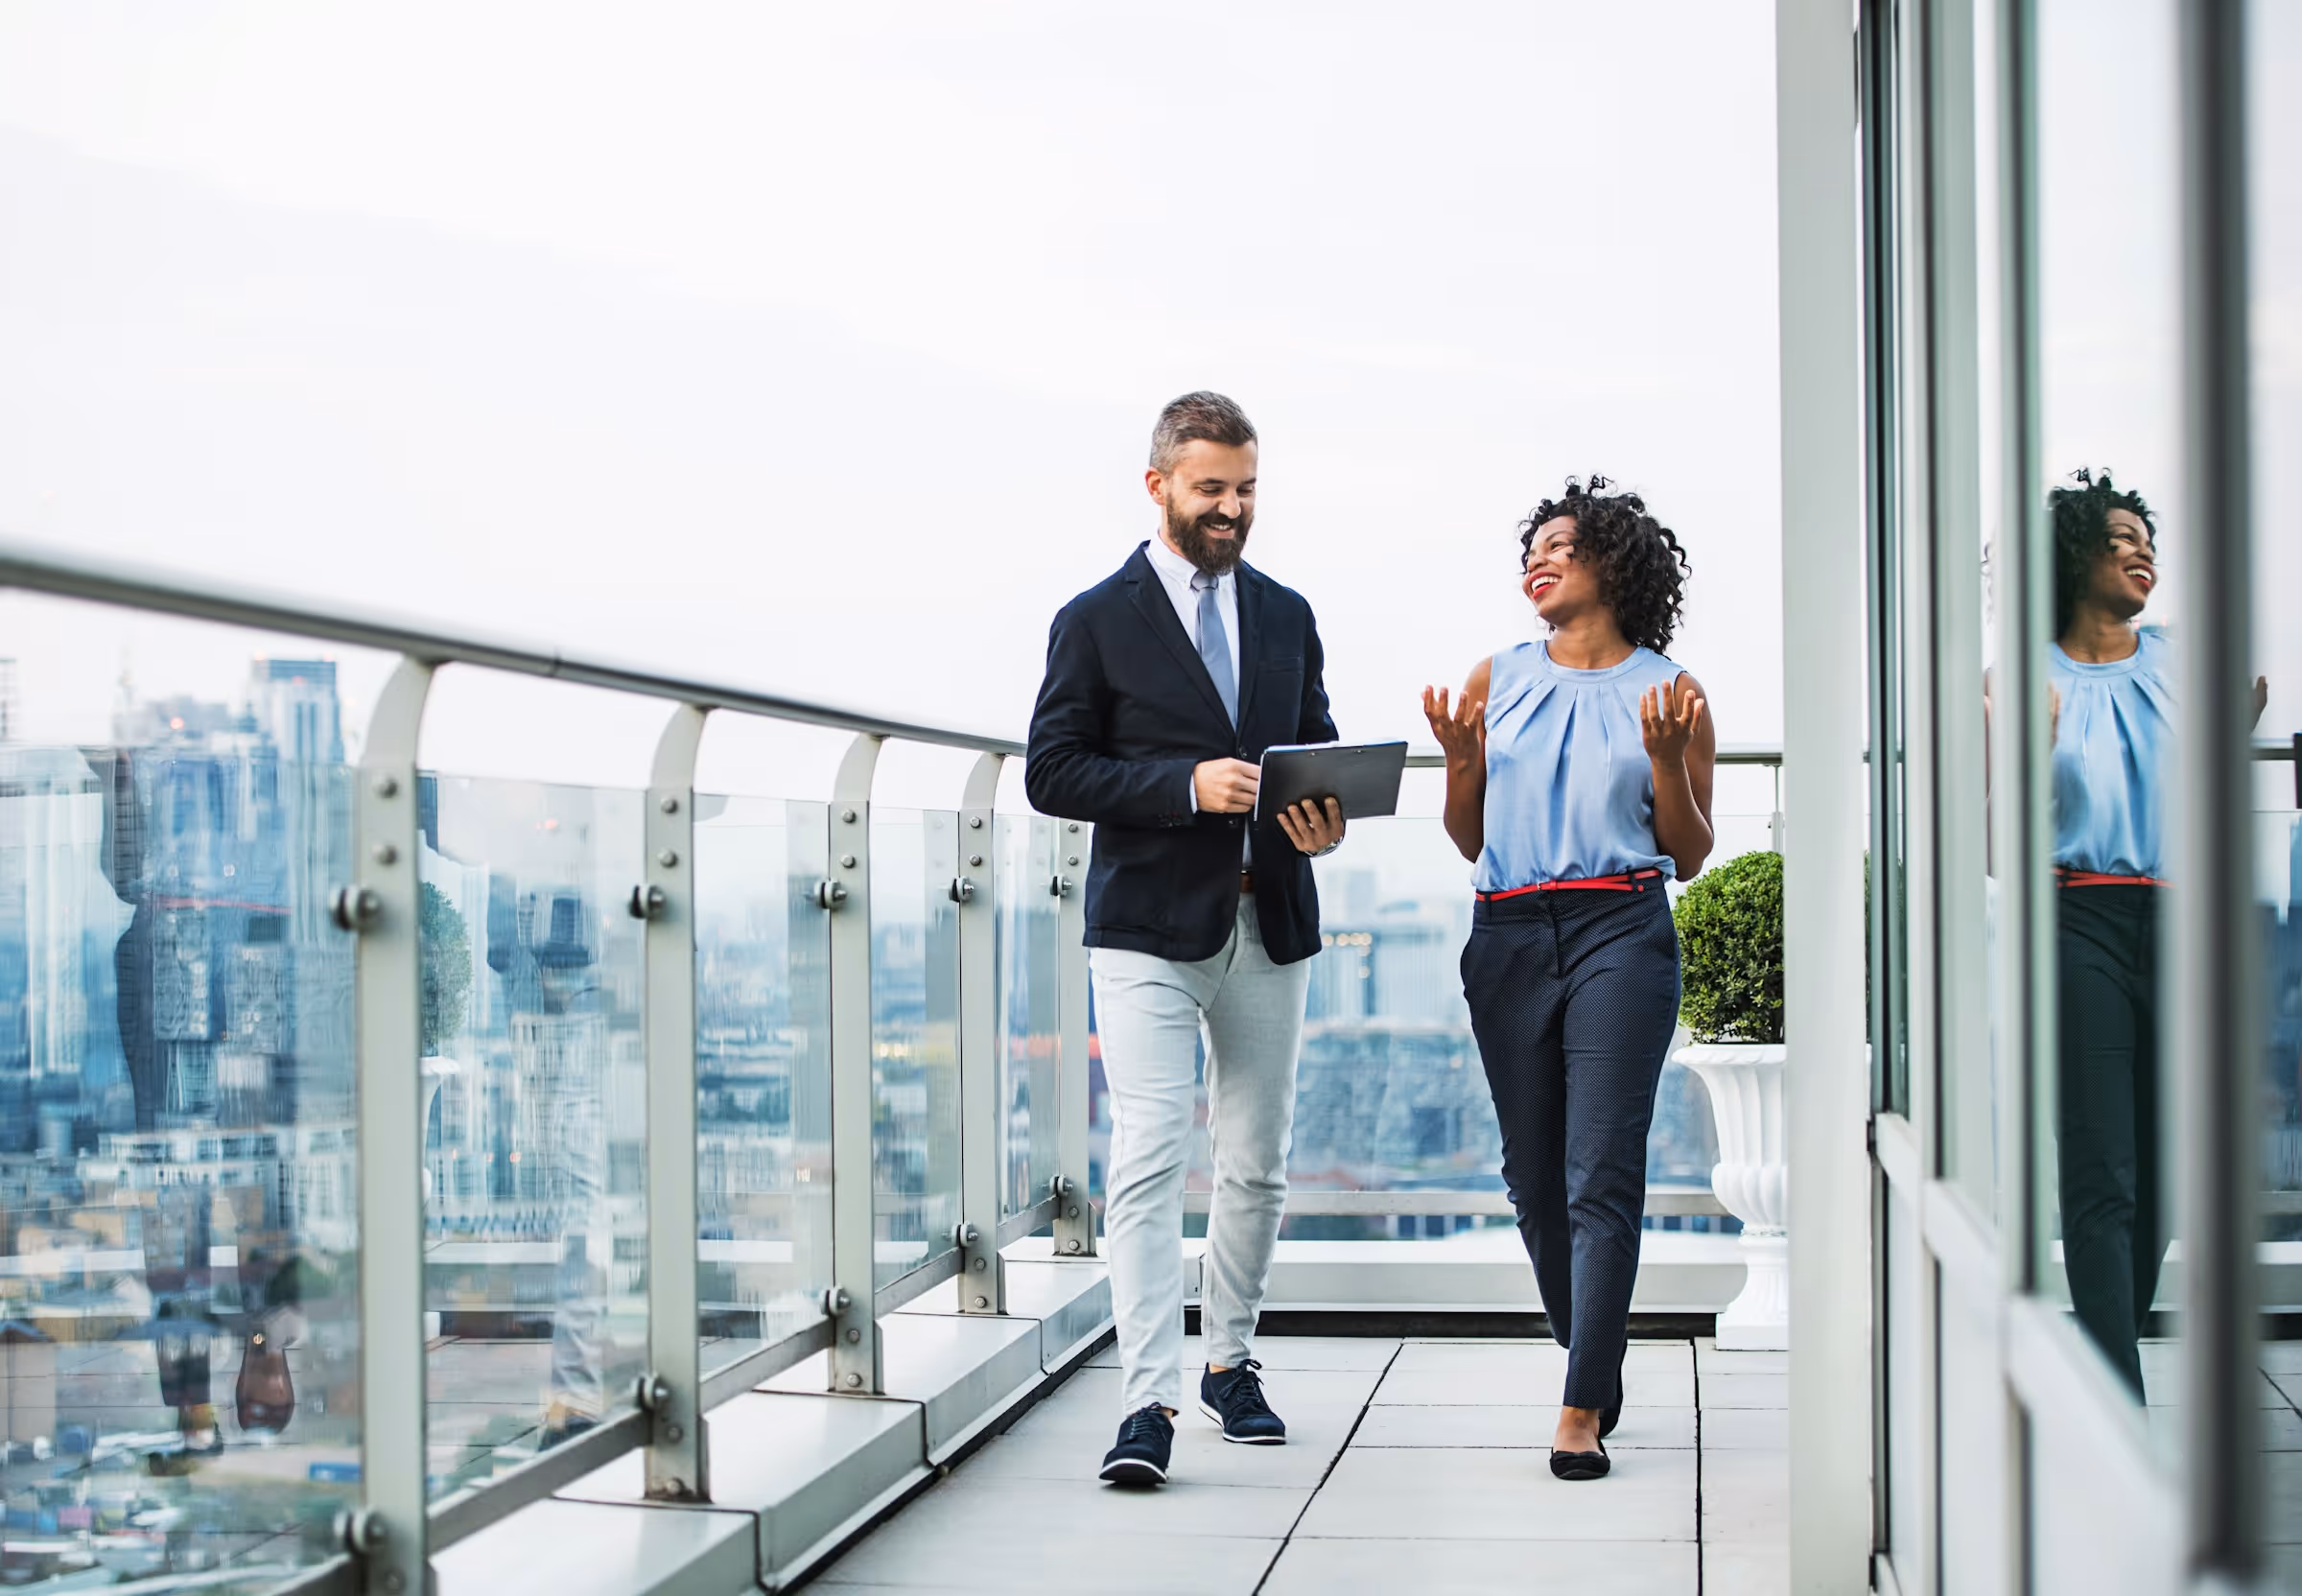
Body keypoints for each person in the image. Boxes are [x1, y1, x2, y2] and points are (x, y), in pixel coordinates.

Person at [1026, 391, 1346, 1486]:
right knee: (1152, 1155)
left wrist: (1324, 807)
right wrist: (1181, 785)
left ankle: (1230, 1362)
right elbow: (1052, 770)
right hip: (1149, 928)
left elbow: (1320, 744)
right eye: (1212, 487)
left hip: (1272, 912)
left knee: (1255, 1162)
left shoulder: (1289, 611)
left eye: (1247, 487)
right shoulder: (1095, 617)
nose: (1233, 507)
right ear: (1158, 483)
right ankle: (1146, 1400)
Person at [1421, 477, 1713, 1482]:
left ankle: (1582, 1400)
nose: (1536, 561)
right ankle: (1597, 1350)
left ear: (1615, 564)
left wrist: (1667, 763)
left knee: (1600, 1172)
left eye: (1560, 545)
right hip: (1505, 929)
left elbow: (1692, 851)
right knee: (1534, 1180)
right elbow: (1472, 840)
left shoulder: (1670, 689)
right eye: (1530, 549)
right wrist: (1462, 764)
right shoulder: (1494, 677)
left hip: (1619, 928)